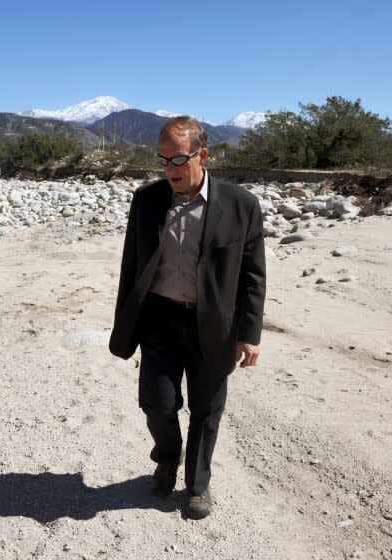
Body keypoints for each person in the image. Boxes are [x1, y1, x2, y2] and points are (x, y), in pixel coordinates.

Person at [109, 116, 266, 519]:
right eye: (162, 161)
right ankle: (167, 457)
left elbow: (252, 276)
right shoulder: (147, 200)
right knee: (157, 403)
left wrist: (249, 334)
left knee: (206, 409)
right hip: (160, 318)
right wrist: (126, 322)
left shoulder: (240, 205)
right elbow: (132, 265)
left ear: (203, 155)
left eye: (178, 161)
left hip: (215, 324)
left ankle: (197, 485)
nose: (169, 170)